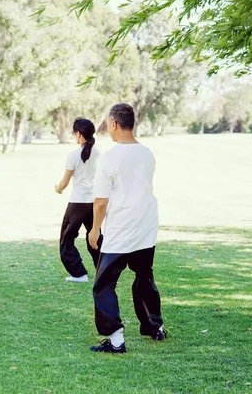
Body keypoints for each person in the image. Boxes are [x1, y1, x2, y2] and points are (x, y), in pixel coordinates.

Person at [88, 103, 166, 353]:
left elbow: (101, 201)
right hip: (146, 226)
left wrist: (94, 230)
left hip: (121, 228)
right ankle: (155, 327)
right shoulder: (147, 153)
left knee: (103, 284)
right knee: (144, 276)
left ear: (113, 124)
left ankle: (116, 339)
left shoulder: (109, 157)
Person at [54, 118, 102, 283]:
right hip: (94, 202)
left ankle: (79, 274)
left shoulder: (74, 156)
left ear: (79, 134)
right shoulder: (99, 155)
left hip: (77, 203)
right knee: (95, 237)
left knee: (66, 240)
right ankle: (102, 271)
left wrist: (58, 189)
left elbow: (64, 182)